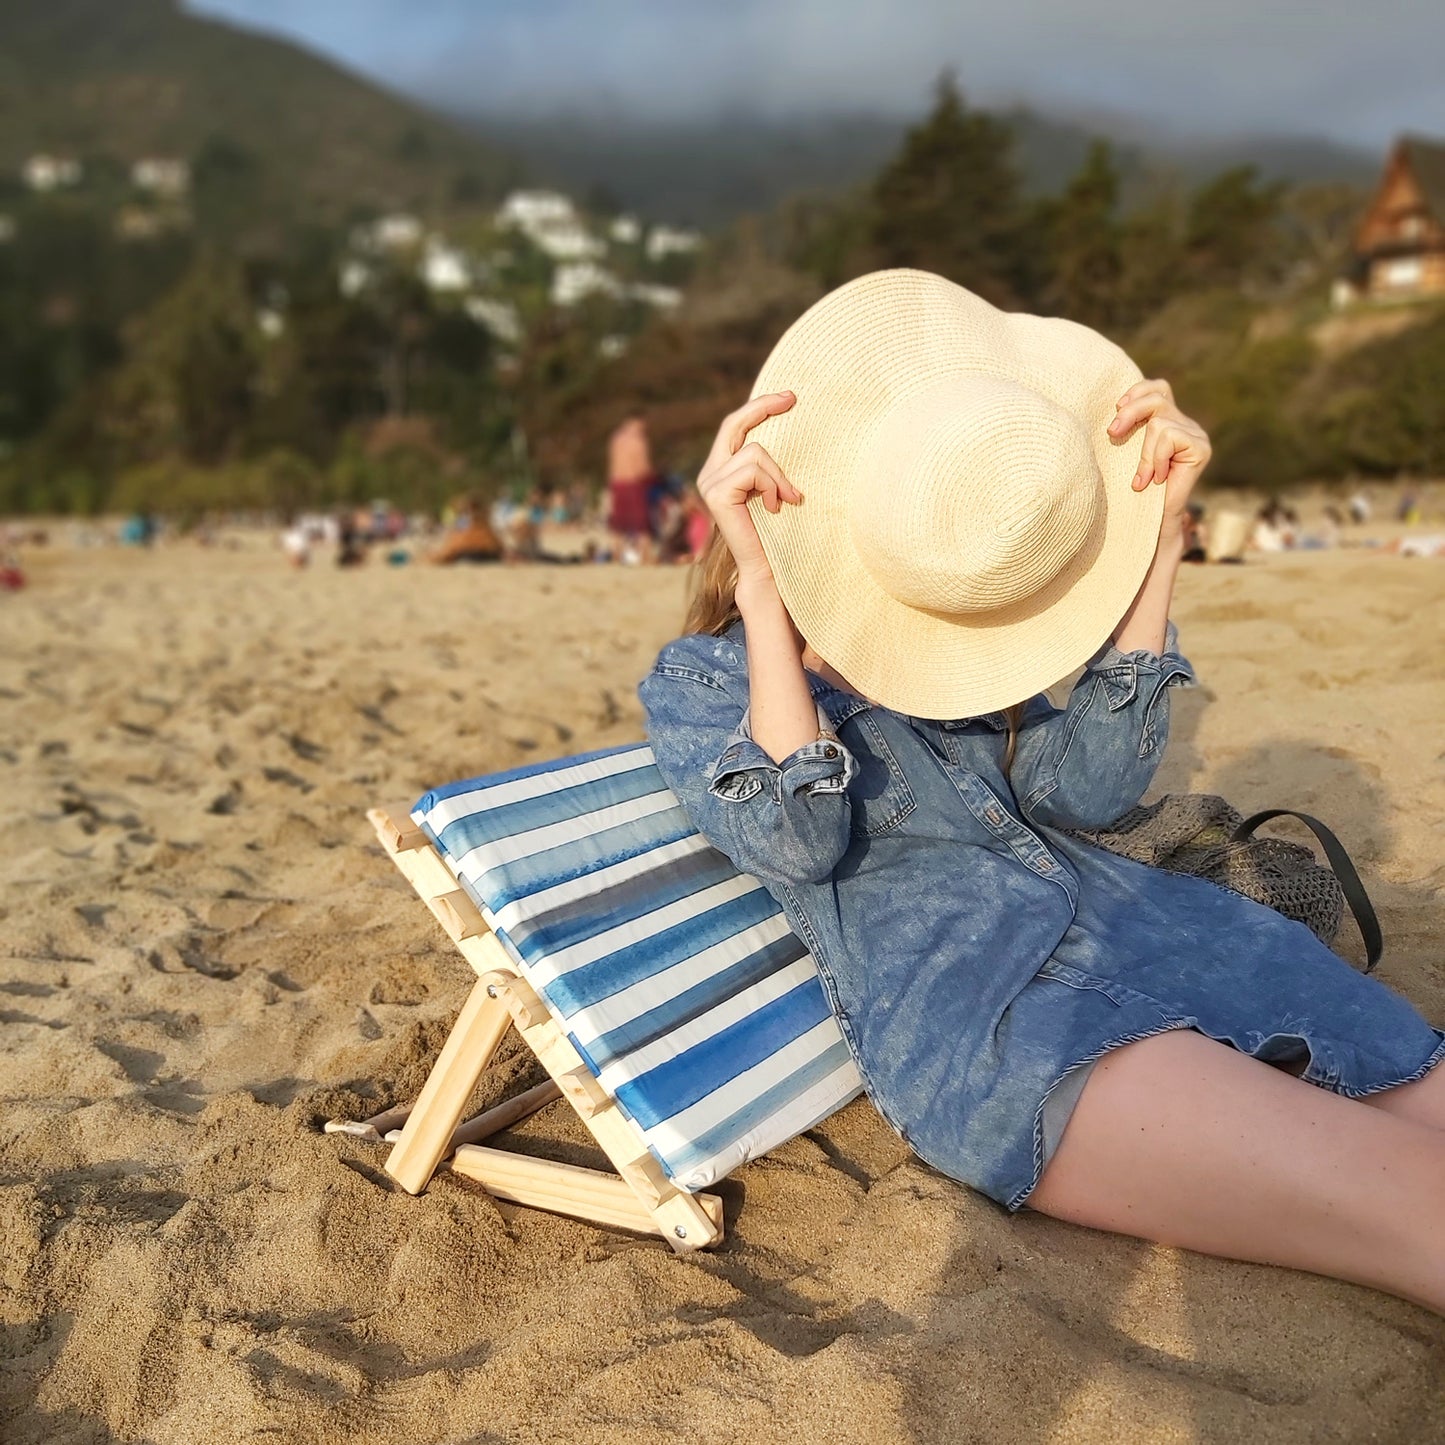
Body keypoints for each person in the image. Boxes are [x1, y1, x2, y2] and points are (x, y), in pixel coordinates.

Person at [638, 270, 1445, 1314]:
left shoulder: (943, 651)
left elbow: (1095, 789)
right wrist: (761, 587)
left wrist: (1155, 542)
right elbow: (795, 838)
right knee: (1416, 1204)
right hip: (1001, 1021)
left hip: (1161, 934)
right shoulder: (703, 678)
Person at [607, 411, 658, 563]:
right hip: (634, 484)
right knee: (642, 524)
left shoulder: (616, 439)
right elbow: (642, 467)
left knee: (618, 524)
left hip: (617, 483)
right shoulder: (638, 440)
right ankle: (645, 557)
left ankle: (616, 555)